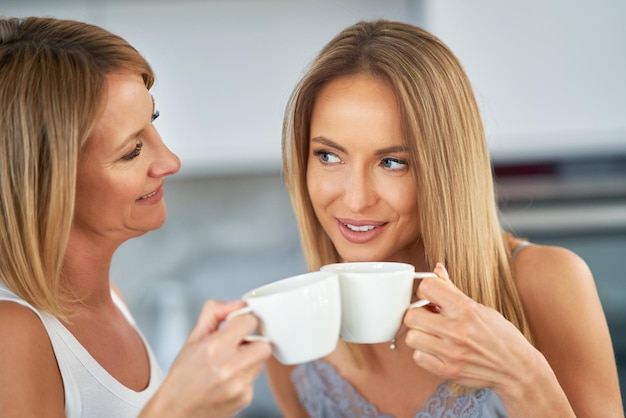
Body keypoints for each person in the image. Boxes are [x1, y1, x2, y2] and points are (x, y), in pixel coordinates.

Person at [266, 19, 623, 417]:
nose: (355, 199)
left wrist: (521, 376)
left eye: (392, 162)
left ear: (447, 168)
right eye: (329, 156)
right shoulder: (293, 336)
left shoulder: (547, 282)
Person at [0, 16, 271, 417]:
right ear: (47, 184)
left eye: (153, 122)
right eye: (131, 150)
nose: (170, 161)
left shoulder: (112, 299)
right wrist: (178, 408)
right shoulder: (12, 336)